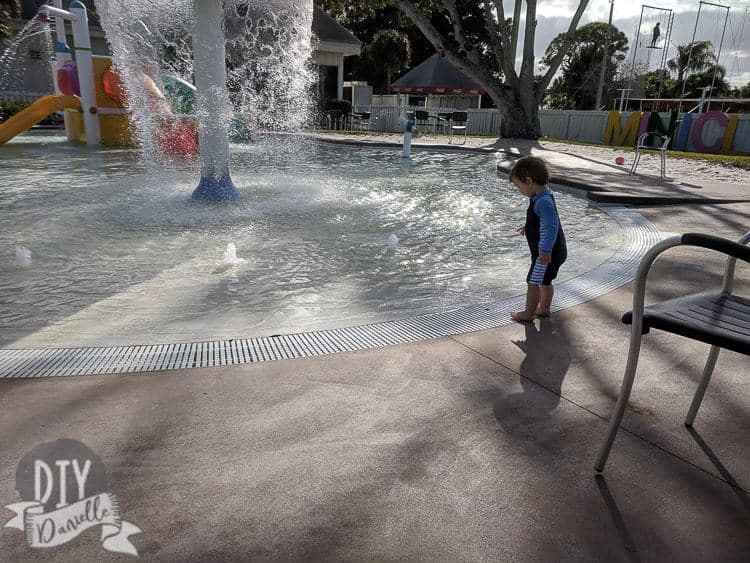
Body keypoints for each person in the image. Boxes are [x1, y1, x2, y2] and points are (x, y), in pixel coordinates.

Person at [508, 156, 567, 322]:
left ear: (528, 181)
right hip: (555, 252)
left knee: (533, 282)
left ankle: (528, 313)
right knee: (545, 281)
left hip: (546, 254)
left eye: (518, 186)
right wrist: (530, 227)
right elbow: (544, 221)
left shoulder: (543, 202)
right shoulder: (544, 197)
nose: (518, 190)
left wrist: (544, 251)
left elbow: (550, 227)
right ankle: (544, 308)